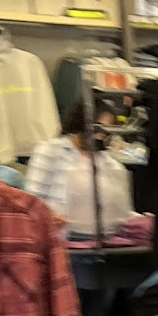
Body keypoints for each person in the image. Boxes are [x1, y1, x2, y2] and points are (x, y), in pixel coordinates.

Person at [24, 102, 134, 241]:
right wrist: (51, 216)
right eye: (97, 128)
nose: (100, 136)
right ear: (80, 123)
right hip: (60, 238)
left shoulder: (110, 163)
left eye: (105, 131)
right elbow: (32, 200)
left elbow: (120, 209)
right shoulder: (50, 151)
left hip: (105, 239)